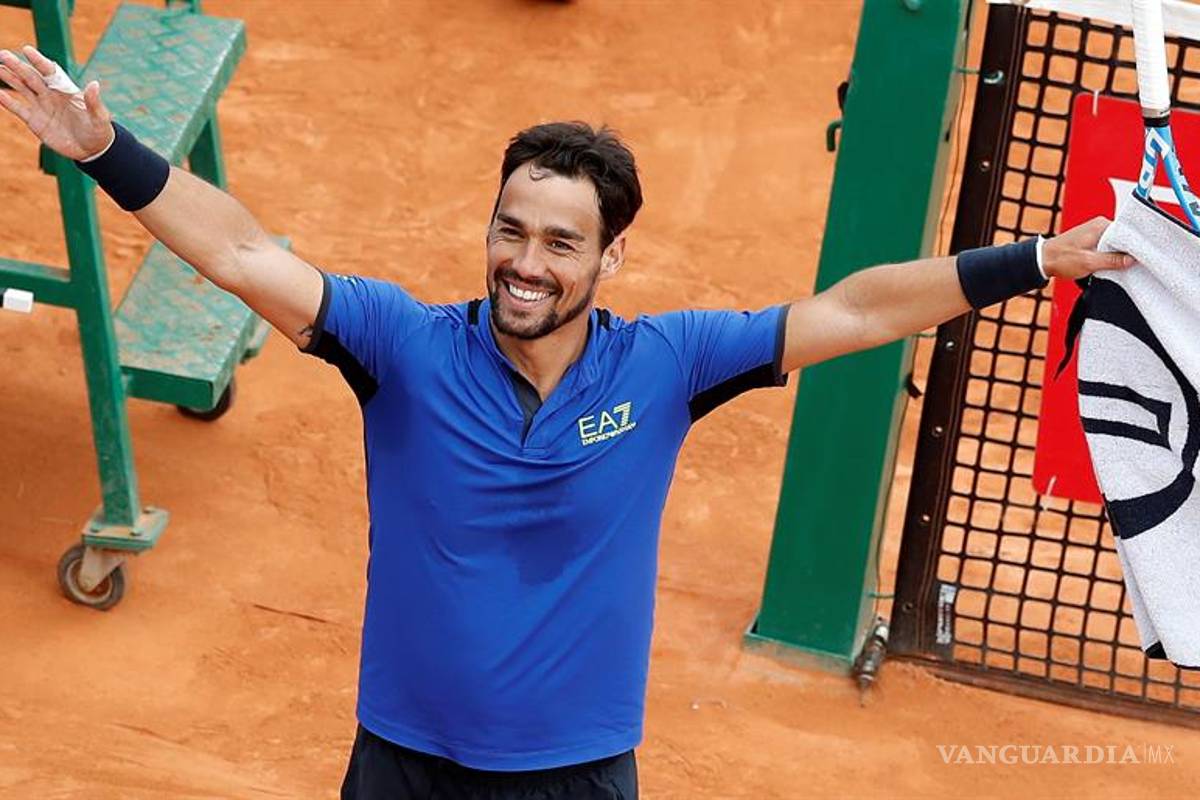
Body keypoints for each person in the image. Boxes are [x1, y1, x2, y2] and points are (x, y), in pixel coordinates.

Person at [0, 44, 1132, 800]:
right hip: (399, 762)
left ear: (610, 255)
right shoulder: (399, 344)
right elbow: (244, 253)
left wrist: (1033, 257)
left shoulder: (672, 364)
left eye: (558, 242)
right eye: (510, 230)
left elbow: (856, 306)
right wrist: (105, 149)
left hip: (578, 773)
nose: (523, 264)